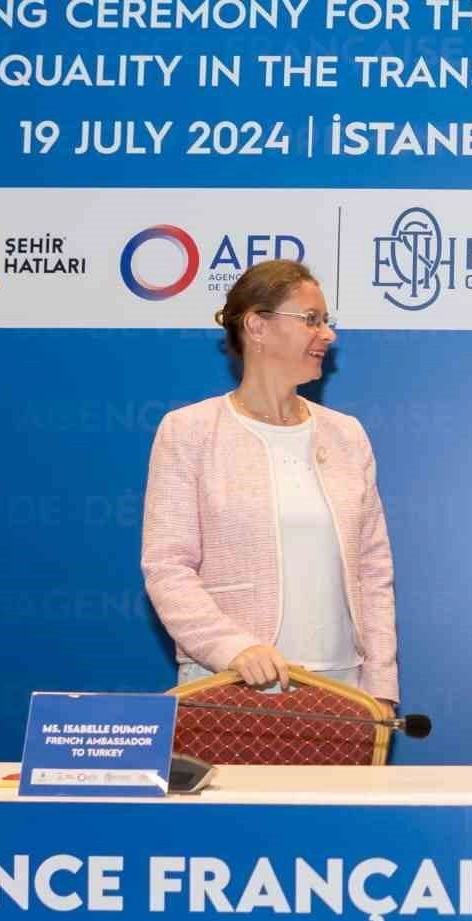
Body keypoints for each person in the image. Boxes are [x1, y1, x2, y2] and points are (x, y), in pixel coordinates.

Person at [141, 259, 398, 709]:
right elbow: (167, 567)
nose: (328, 335)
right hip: (228, 686)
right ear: (257, 326)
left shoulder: (348, 434)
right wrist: (232, 648)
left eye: (327, 321)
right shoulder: (189, 431)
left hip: (342, 693)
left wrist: (379, 687)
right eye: (311, 320)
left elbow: (373, 571)